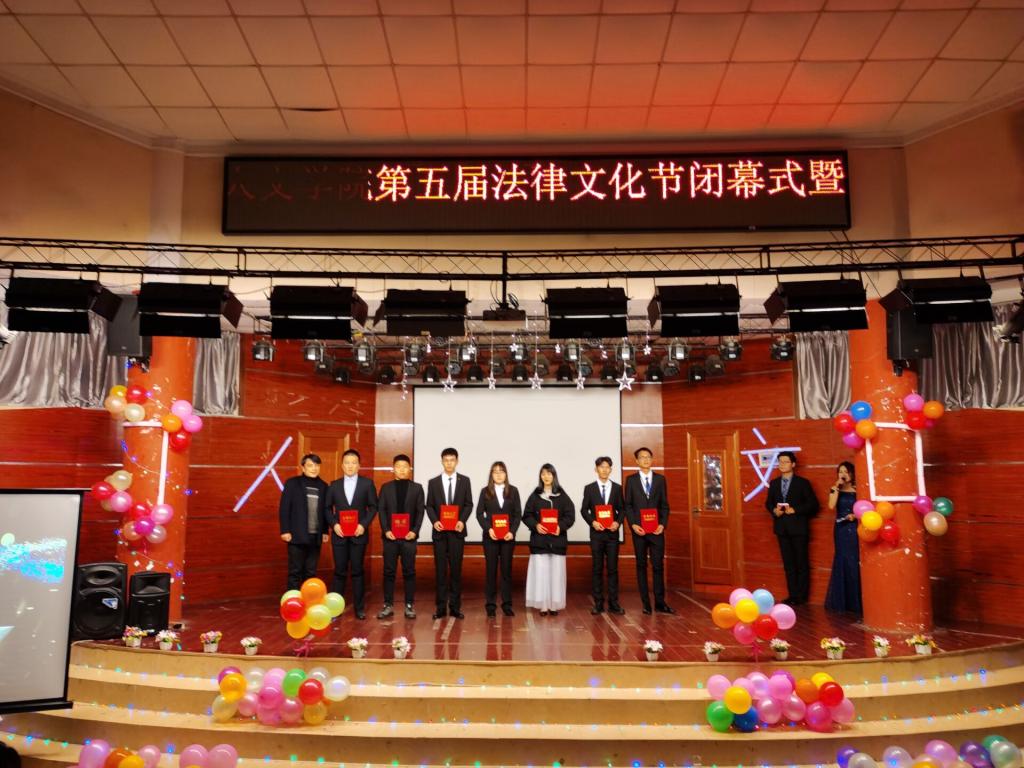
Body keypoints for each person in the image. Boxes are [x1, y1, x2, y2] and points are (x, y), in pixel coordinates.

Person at [324, 448, 378, 620]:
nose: (350, 466)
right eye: (347, 462)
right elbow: (326, 508)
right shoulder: (334, 485)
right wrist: (334, 524)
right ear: (342, 465)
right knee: (339, 572)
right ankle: (335, 609)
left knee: (357, 571)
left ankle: (359, 609)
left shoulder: (367, 484)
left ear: (359, 465)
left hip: (358, 535)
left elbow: (373, 507)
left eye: (353, 463)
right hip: (339, 535)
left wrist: (363, 524)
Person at [765, 451, 819, 606]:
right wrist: (774, 510)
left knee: (801, 563)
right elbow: (768, 503)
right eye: (780, 462)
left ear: (793, 464)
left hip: (798, 528)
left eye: (786, 462)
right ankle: (792, 594)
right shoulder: (774, 483)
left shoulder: (803, 483)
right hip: (781, 528)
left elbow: (813, 505)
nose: (782, 464)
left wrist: (795, 510)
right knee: (788, 564)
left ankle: (802, 596)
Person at [624, 447, 674, 614]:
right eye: (642, 457)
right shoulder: (631, 480)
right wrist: (633, 524)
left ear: (652, 460)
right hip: (639, 531)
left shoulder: (660, 479)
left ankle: (660, 602)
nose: (645, 460)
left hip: (656, 531)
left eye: (648, 457)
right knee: (641, 565)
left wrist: (662, 524)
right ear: (636, 461)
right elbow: (628, 505)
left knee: (658, 565)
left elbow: (665, 506)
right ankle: (646, 603)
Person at [425, 447, 473, 620]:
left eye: (452, 460)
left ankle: (455, 607)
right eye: (446, 460)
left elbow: (468, 504)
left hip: (457, 532)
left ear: (457, 461)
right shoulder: (433, 482)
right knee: (440, 571)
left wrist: (462, 520)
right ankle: (440, 608)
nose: (449, 463)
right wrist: (434, 521)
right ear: (442, 461)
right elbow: (429, 505)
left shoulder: (465, 481)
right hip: (440, 533)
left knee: (456, 571)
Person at [522, 463, 575, 616]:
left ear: (554, 476)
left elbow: (570, 516)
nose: (546, 476)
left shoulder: (562, 495)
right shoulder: (535, 495)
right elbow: (526, 515)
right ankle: (543, 605)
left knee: (556, 575)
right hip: (539, 542)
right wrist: (536, 525)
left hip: (557, 542)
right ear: (540, 476)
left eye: (549, 474)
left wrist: (561, 526)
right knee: (541, 574)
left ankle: (554, 605)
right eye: (543, 474)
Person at [376, 453, 424, 620]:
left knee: (409, 572)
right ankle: (388, 605)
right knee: (389, 572)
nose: (402, 470)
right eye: (398, 467)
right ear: (393, 469)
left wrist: (415, 531)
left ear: (410, 469)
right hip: (390, 538)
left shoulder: (417, 488)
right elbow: (381, 510)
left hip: (409, 538)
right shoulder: (385, 487)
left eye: (405, 467)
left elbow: (420, 511)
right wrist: (386, 530)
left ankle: (409, 605)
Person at [580, 456, 626, 615]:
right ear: (596, 469)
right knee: (597, 569)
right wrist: (592, 522)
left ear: (611, 469)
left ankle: (614, 603)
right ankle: (598, 603)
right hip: (597, 535)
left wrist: (618, 523)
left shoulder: (617, 488)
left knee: (613, 569)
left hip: (612, 535)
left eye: (607, 467)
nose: (604, 470)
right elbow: (584, 510)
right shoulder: (589, 488)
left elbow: (622, 509)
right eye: (601, 467)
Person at [475, 460, 522, 618]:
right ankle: (490, 605)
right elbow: (479, 513)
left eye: (501, 471)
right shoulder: (485, 491)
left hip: (508, 538)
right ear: (491, 475)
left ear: (506, 474)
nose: (499, 474)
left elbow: (517, 514)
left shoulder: (513, 491)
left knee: (506, 572)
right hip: (490, 538)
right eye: (495, 472)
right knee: (491, 571)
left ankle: (507, 605)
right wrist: (488, 529)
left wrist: (512, 532)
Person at [278, 453, 329, 590]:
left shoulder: (324, 486)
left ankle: (309, 599)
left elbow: (325, 510)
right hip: (296, 535)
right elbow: (284, 508)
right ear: (303, 467)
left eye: (317, 465)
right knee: (295, 571)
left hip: (315, 536)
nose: (314, 468)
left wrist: (325, 531)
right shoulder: (292, 483)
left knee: (311, 572)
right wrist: (285, 530)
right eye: (310, 465)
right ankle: (293, 600)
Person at [824, 461, 862, 616]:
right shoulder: (835, 489)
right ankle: (842, 600)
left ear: (852, 473)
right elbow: (831, 506)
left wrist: (855, 516)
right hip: (841, 528)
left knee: (854, 560)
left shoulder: (858, 489)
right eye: (840, 472)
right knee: (842, 559)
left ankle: (856, 601)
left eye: (846, 471)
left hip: (854, 527)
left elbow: (864, 508)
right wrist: (837, 488)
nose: (843, 474)